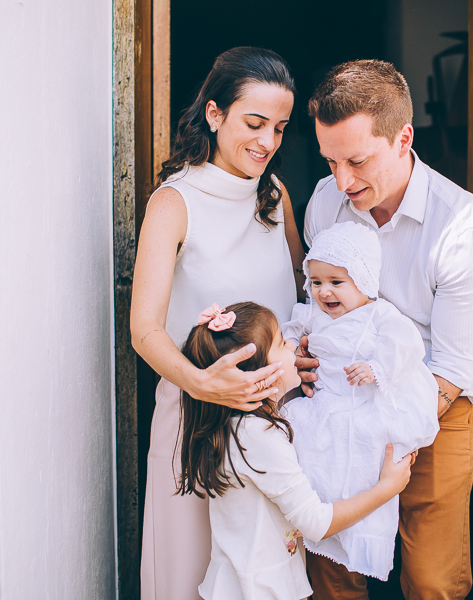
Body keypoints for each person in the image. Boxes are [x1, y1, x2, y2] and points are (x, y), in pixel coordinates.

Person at [296, 60, 473, 599]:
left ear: (404, 138)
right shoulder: (324, 202)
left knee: (431, 577)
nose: (343, 180)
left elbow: (453, 366)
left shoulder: (459, 226)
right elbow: (314, 305)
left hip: (434, 402)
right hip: (340, 399)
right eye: (331, 161)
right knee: (331, 560)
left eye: (357, 161)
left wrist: (386, 426)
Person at [130, 47, 306, 599]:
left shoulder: (276, 197)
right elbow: (145, 330)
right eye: (254, 124)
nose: (268, 142)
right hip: (197, 423)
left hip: (275, 428)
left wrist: (298, 355)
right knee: (188, 577)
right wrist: (205, 383)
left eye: (279, 128)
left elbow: (302, 296)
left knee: (263, 582)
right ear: (214, 114)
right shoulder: (174, 203)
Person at [176, 301, 416, 600]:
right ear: (259, 373)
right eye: (280, 342)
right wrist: (387, 488)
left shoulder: (231, 425)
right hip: (262, 590)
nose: (292, 346)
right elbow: (316, 522)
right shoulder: (258, 436)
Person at [280, 221, 439, 581]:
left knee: (362, 464)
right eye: (317, 282)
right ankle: (321, 523)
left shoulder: (378, 315)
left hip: (365, 404)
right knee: (313, 456)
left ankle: (359, 533)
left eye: (337, 282)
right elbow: (287, 337)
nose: (325, 292)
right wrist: (290, 353)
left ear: (364, 281)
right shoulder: (311, 314)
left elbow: (405, 345)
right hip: (323, 404)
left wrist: (377, 368)